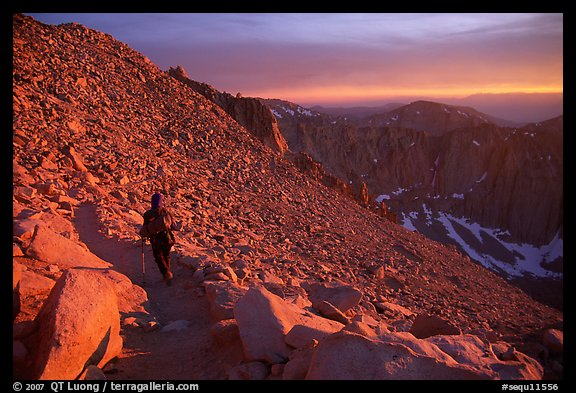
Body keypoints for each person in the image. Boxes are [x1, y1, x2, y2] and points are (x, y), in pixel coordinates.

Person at [143, 192, 176, 284]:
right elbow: (173, 225)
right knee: (166, 255)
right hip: (168, 238)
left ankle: (166, 273)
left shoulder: (148, 214)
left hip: (156, 239)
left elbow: (145, 228)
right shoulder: (165, 211)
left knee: (158, 256)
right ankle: (168, 275)